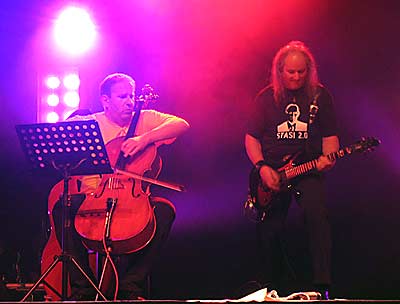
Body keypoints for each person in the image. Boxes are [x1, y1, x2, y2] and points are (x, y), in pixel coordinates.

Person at [59, 72, 189, 300]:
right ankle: (83, 288)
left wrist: (144, 139)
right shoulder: (92, 123)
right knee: (63, 207)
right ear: (105, 100)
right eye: (122, 97)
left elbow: (181, 124)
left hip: (132, 199)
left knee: (165, 211)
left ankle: (131, 285)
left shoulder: (144, 118)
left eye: (131, 96)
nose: (130, 102)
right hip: (95, 195)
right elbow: (60, 134)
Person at [245, 41, 339, 299]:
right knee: (270, 227)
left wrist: (328, 159)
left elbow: (331, 142)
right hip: (273, 173)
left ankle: (322, 286)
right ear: (280, 71)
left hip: (307, 170)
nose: (296, 77)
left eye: (301, 72)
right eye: (291, 72)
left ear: (308, 71)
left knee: (317, 216)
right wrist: (262, 167)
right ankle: (266, 287)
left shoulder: (321, 97)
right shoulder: (265, 98)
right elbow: (251, 138)